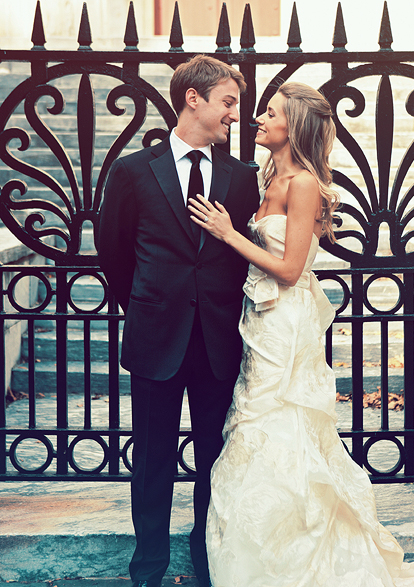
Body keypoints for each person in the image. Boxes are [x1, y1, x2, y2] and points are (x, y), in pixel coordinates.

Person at [188, 82, 414, 586]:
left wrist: (229, 234)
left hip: (285, 323)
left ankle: (297, 551)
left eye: (269, 113)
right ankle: (262, 551)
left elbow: (292, 268)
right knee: (254, 420)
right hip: (259, 320)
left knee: (280, 421)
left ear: (292, 126)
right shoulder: (268, 178)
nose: (258, 119)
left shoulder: (304, 185)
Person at [98, 55, 260, 587]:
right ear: (195, 99)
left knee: (216, 460)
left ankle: (207, 562)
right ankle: (148, 569)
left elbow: (242, 256)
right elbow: (115, 252)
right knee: (152, 463)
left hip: (218, 341)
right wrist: (147, 305)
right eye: (229, 103)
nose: (235, 114)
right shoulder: (132, 170)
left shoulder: (242, 178)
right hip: (155, 338)